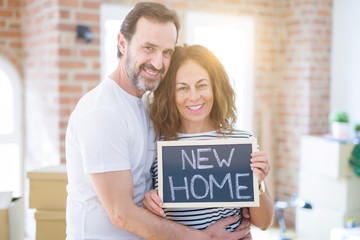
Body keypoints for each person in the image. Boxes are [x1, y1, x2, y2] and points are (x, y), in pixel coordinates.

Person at [65, 2, 252, 239]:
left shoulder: (146, 106)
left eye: (167, 52)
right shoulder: (102, 112)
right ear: (122, 43)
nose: (157, 62)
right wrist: (206, 238)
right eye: (148, 48)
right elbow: (120, 213)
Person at [143, 44, 275, 232]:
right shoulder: (156, 145)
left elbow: (265, 222)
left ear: (215, 87)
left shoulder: (241, 141)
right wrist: (149, 202)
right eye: (182, 88)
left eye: (202, 85)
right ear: (170, 94)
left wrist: (257, 184)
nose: (194, 96)